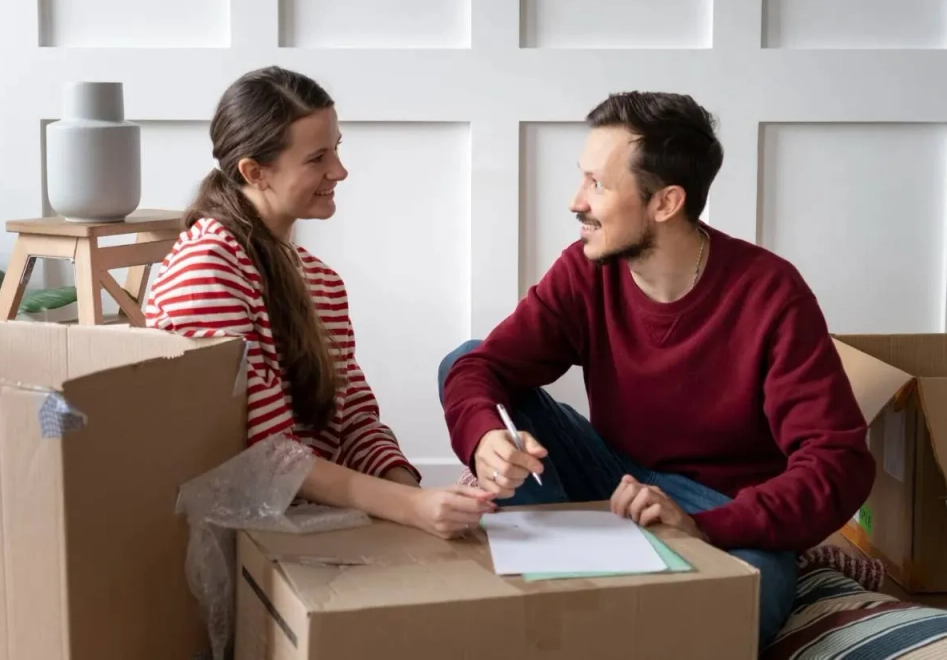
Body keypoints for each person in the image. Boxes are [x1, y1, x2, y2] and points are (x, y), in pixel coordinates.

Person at [437, 91, 873, 646]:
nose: (576, 201)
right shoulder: (585, 271)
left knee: (746, 605)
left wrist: (705, 526)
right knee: (464, 361)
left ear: (665, 202)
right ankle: (559, 572)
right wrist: (484, 438)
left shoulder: (770, 292)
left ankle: (597, 600)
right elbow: (479, 368)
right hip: (613, 477)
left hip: (720, 506)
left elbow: (838, 462)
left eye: (597, 184)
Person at [146, 66, 496, 540]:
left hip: (307, 520)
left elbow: (352, 421)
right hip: (238, 537)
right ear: (255, 172)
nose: (340, 171)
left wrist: (416, 493)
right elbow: (266, 456)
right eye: (317, 158)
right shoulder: (206, 270)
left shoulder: (321, 281)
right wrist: (411, 508)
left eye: (337, 148)